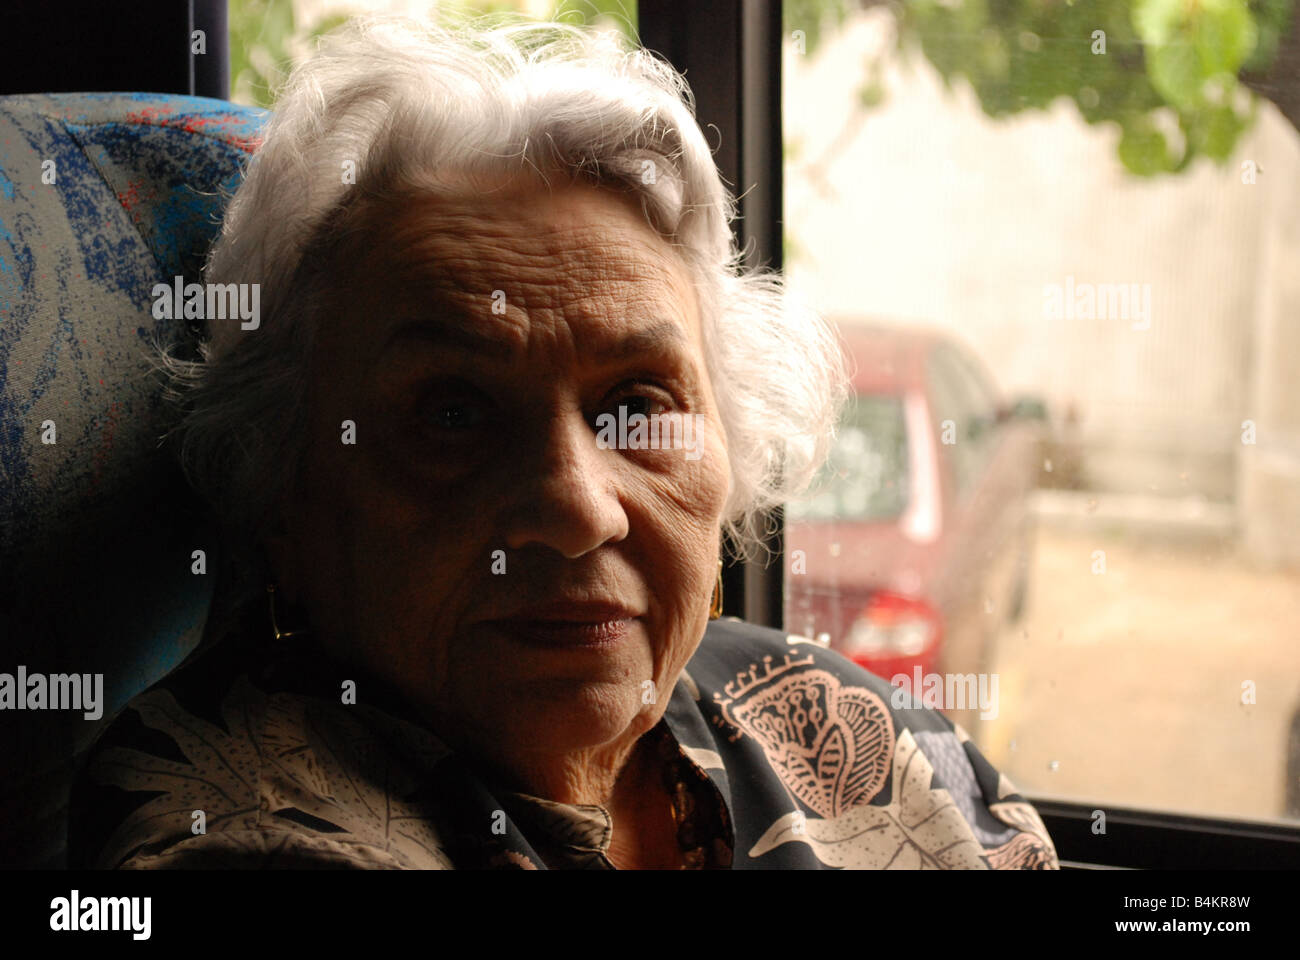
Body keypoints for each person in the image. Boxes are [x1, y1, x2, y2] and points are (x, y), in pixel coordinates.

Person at [68, 16, 1058, 870]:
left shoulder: (848, 731)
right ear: (282, 485)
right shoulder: (250, 835)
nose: (579, 509)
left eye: (636, 408)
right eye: (453, 413)